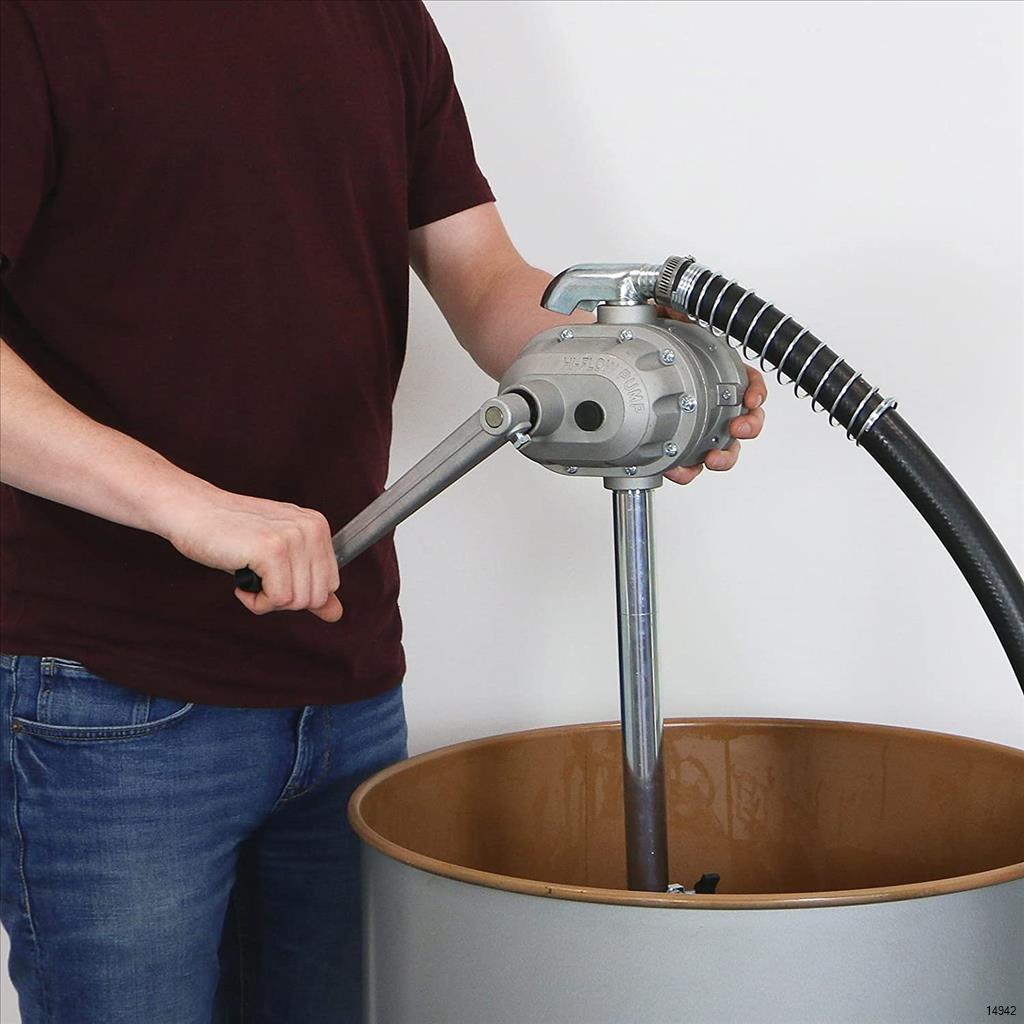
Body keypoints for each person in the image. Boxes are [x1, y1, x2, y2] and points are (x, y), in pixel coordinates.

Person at [0, 2, 766, 1021]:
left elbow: (481, 276)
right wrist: (190, 508)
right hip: (105, 696)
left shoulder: (377, 17)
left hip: (344, 679)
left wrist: (629, 362)